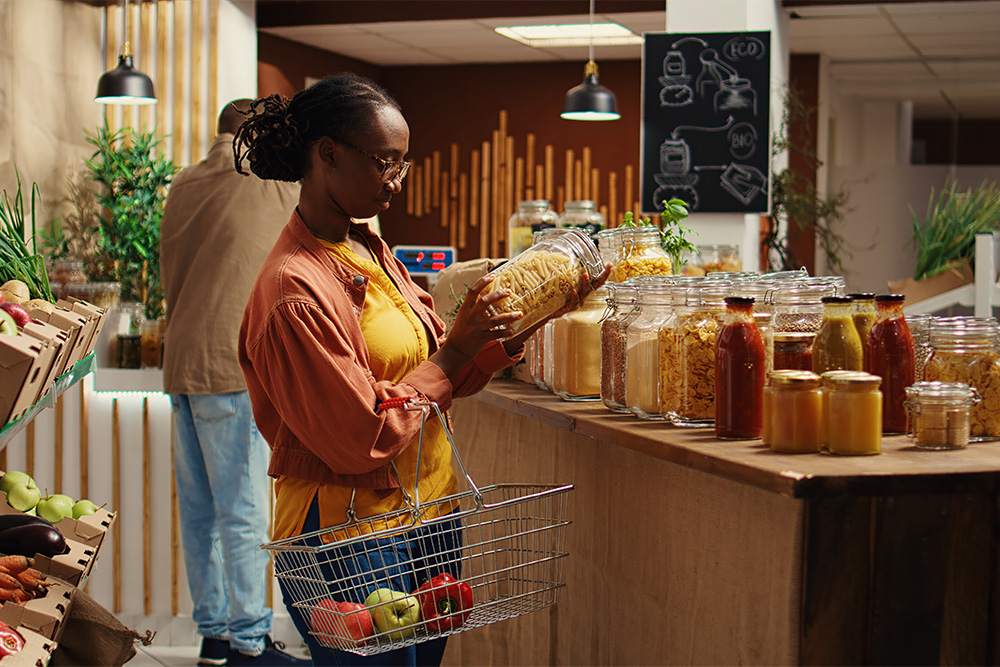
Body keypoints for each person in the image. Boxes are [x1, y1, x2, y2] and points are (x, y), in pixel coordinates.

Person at [234, 73, 607, 666]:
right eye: (384, 163)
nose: (396, 182)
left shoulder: (368, 248)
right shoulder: (292, 293)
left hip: (426, 513)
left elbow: (438, 376)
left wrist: (533, 311)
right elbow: (362, 434)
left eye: (402, 165)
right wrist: (454, 352)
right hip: (350, 535)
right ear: (327, 154)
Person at [160, 99, 308, 666]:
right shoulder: (267, 182)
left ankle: (214, 634)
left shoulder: (185, 182)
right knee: (242, 509)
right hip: (230, 365)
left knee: (201, 511)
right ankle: (249, 642)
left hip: (183, 364)